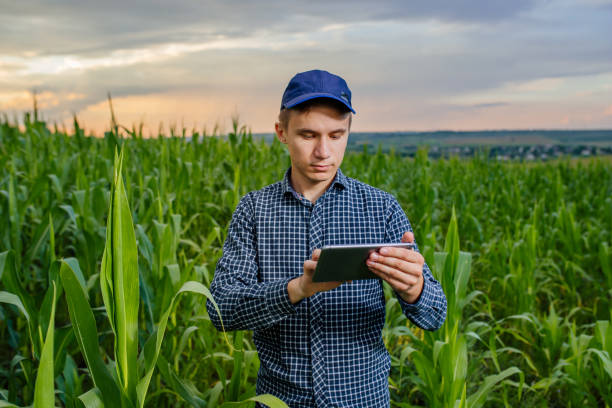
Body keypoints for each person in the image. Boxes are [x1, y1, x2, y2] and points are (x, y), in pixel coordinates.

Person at [206, 69, 447, 407]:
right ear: (282, 133)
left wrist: (414, 289)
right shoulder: (254, 211)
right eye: (308, 135)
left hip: (363, 400)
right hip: (282, 402)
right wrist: (298, 289)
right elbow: (221, 310)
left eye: (336, 135)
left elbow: (435, 316)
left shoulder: (381, 208)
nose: (323, 151)